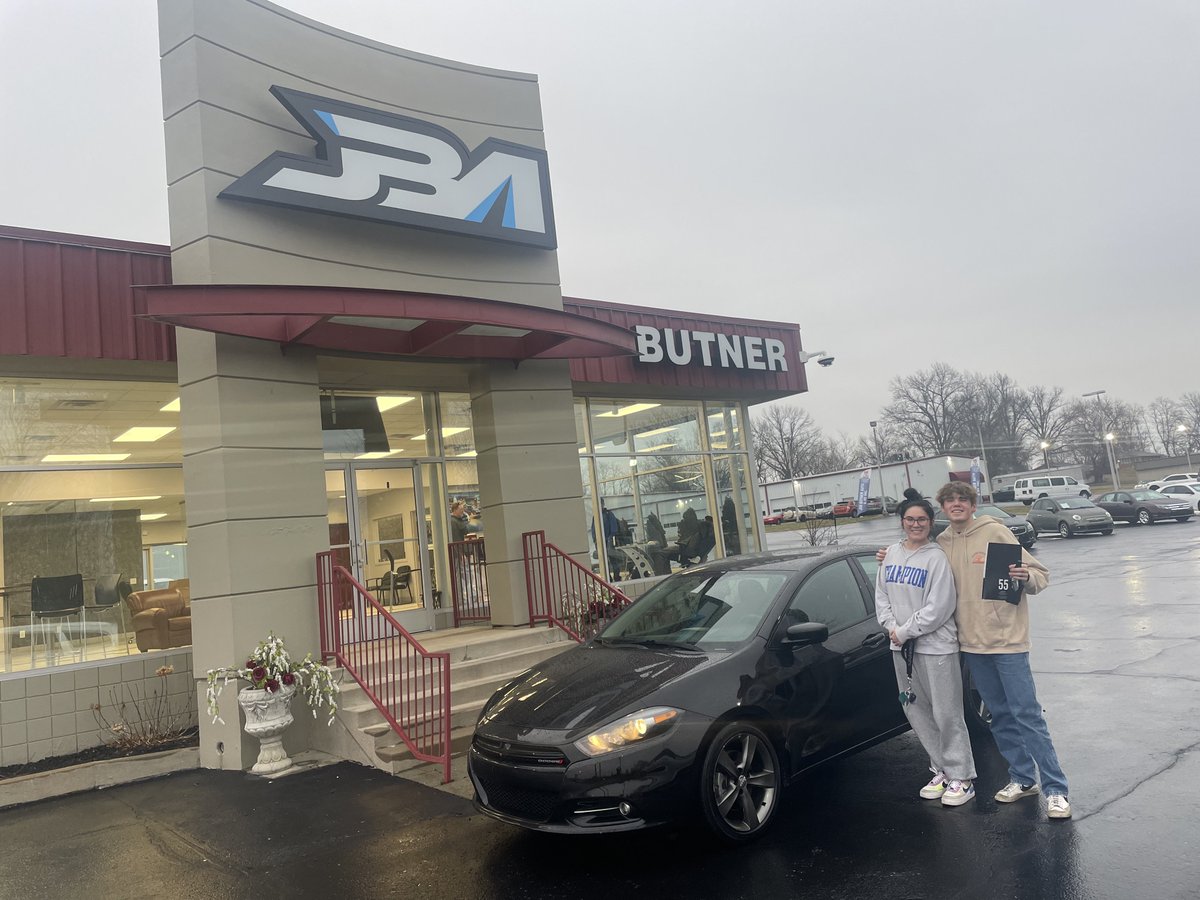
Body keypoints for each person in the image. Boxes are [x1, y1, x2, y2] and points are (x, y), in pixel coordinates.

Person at [883, 482, 1069, 819]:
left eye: (962, 500)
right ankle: (1023, 779)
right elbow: (918, 564)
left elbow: (1040, 576)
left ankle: (1056, 789)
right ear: (942, 506)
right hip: (970, 645)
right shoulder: (942, 543)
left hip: (1007, 641)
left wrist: (1026, 576)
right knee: (999, 715)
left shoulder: (995, 532)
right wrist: (888, 554)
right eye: (950, 500)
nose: (956, 505)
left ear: (973, 504)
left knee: (1026, 714)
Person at [875, 497, 977, 807]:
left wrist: (905, 630)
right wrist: (892, 627)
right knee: (915, 710)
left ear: (930, 523)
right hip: (902, 648)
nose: (916, 524)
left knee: (946, 712)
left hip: (935, 647)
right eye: (910, 519)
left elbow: (939, 607)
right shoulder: (891, 554)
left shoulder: (936, 558)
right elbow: (881, 595)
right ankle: (942, 769)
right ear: (902, 521)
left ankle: (962, 776)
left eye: (922, 519)